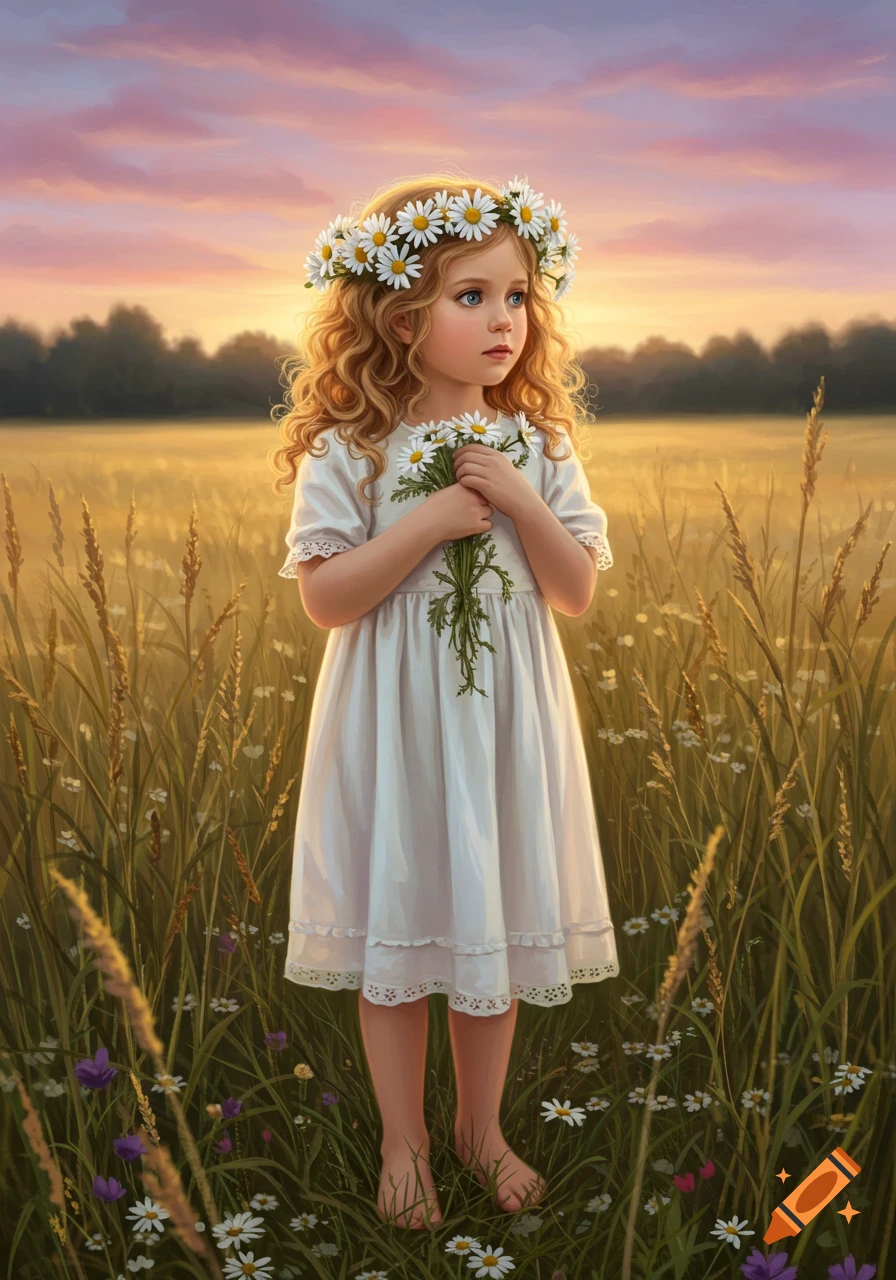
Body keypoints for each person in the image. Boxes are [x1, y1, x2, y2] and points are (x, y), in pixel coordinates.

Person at [269, 174, 618, 1232]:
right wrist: (427, 522)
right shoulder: (351, 450)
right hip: (395, 726)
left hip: (503, 725)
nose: (501, 320)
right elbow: (326, 597)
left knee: (490, 918)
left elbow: (575, 589)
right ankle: (402, 1141)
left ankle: (479, 1126)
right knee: (401, 923)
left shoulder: (539, 446)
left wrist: (513, 497)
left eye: (515, 296)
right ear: (398, 314)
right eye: (471, 296)